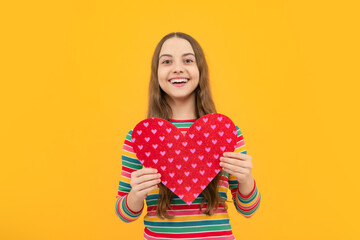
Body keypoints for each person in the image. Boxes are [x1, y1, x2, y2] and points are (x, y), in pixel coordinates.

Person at [115, 32, 261, 239]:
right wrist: (135, 194)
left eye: (188, 60)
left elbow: (248, 209)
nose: (177, 68)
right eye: (166, 61)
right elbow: (124, 214)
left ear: (200, 69)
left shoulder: (226, 132)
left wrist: (246, 178)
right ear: (156, 73)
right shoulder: (139, 138)